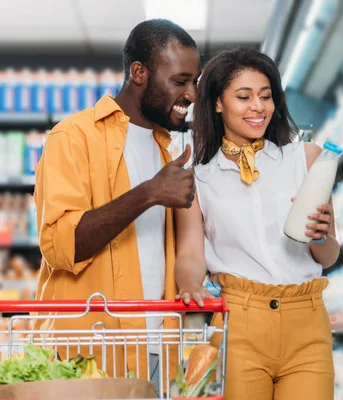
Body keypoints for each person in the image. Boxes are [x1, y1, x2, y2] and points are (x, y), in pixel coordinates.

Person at [33, 18, 201, 390]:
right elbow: (61, 245)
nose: (191, 94)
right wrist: (149, 193)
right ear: (139, 73)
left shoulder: (168, 149)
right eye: (180, 81)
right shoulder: (72, 137)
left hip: (156, 348)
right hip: (87, 352)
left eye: (195, 82)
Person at [174, 47, 339, 400]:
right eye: (244, 97)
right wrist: (190, 286)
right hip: (239, 324)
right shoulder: (198, 180)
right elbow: (190, 254)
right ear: (218, 103)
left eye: (266, 96)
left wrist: (321, 235)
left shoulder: (306, 159)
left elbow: (328, 257)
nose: (258, 107)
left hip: (307, 322)